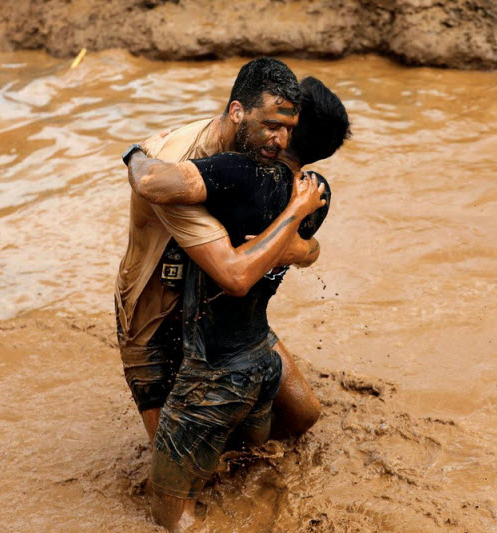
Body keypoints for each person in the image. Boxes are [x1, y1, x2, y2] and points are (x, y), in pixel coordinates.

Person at [125, 76, 350, 532]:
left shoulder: (238, 175)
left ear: (289, 129)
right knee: (261, 445)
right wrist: (298, 244)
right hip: (262, 359)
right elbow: (306, 250)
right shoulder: (317, 192)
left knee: (172, 514)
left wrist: (135, 152)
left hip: (212, 375)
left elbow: (156, 181)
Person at [115, 59, 325, 445]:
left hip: (217, 313)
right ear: (237, 112)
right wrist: (136, 156)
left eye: (288, 130)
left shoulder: (258, 157)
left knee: (303, 415)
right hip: (154, 314)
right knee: (179, 455)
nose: (280, 142)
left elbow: (301, 250)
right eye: (272, 126)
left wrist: (304, 247)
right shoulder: (180, 169)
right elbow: (236, 274)